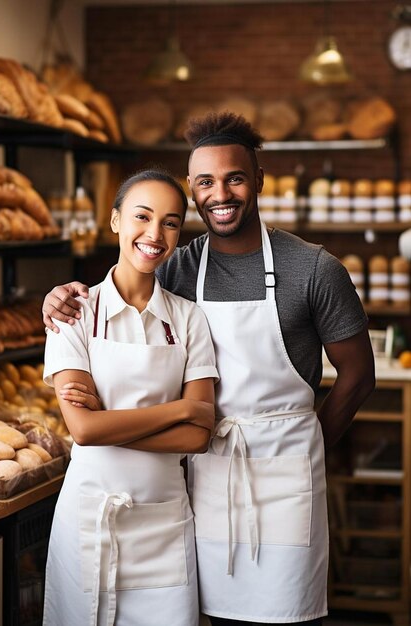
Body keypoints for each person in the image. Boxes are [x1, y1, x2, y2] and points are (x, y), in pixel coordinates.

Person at [42, 112, 375, 626]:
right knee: (209, 616)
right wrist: (59, 297)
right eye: (205, 182)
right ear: (193, 192)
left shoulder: (314, 269)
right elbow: (130, 273)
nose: (221, 193)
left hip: (285, 473)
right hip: (203, 477)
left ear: (258, 180)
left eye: (235, 178)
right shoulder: (180, 265)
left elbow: (358, 375)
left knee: (289, 615)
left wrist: (307, 446)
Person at [42, 168, 218, 626]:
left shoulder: (188, 320)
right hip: (89, 517)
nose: (154, 234)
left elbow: (199, 438)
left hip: (164, 523)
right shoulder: (72, 314)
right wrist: (180, 409)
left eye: (171, 222)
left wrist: (109, 424)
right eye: (142, 216)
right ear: (115, 220)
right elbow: (82, 429)